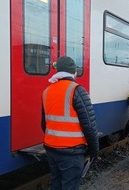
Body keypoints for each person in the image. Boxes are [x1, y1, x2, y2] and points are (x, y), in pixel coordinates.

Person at [41, 56, 99, 190]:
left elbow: (43, 124)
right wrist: (94, 151)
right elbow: (89, 126)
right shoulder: (77, 90)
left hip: (51, 149)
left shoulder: (46, 91)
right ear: (74, 72)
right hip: (71, 152)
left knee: (56, 184)